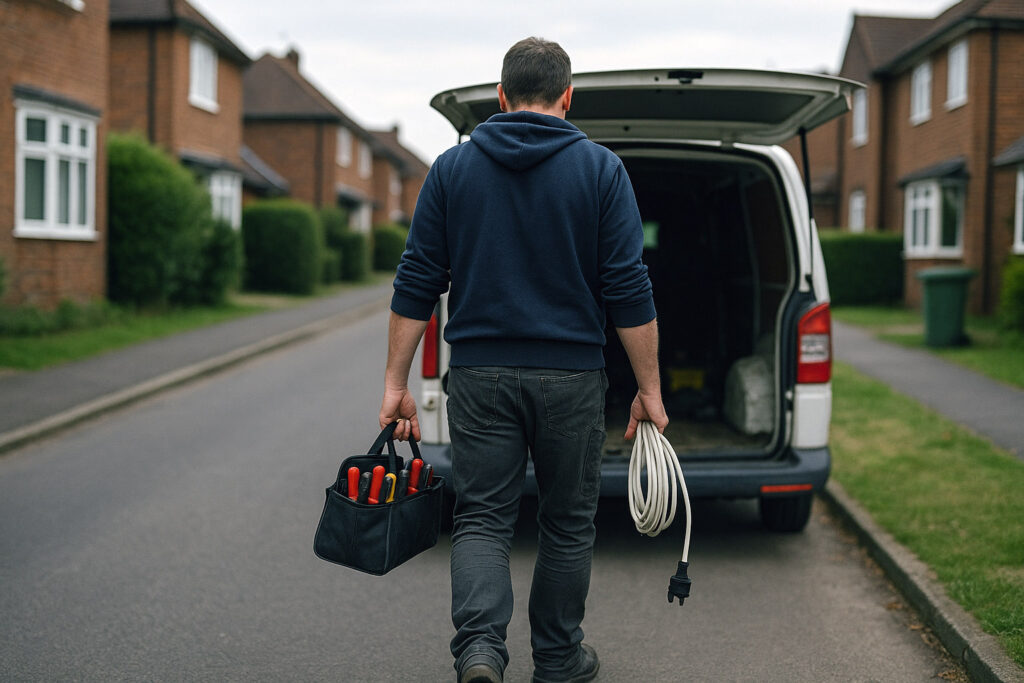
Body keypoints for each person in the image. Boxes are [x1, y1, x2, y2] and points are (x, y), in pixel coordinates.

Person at [379, 37, 667, 683]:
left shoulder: (453, 168)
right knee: (567, 522)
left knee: (482, 517)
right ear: (568, 97)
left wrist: (396, 382)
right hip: (572, 377)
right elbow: (627, 285)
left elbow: (418, 278)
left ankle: (480, 653)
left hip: (480, 373)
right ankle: (560, 659)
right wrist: (648, 388)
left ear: (501, 97)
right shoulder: (600, 169)